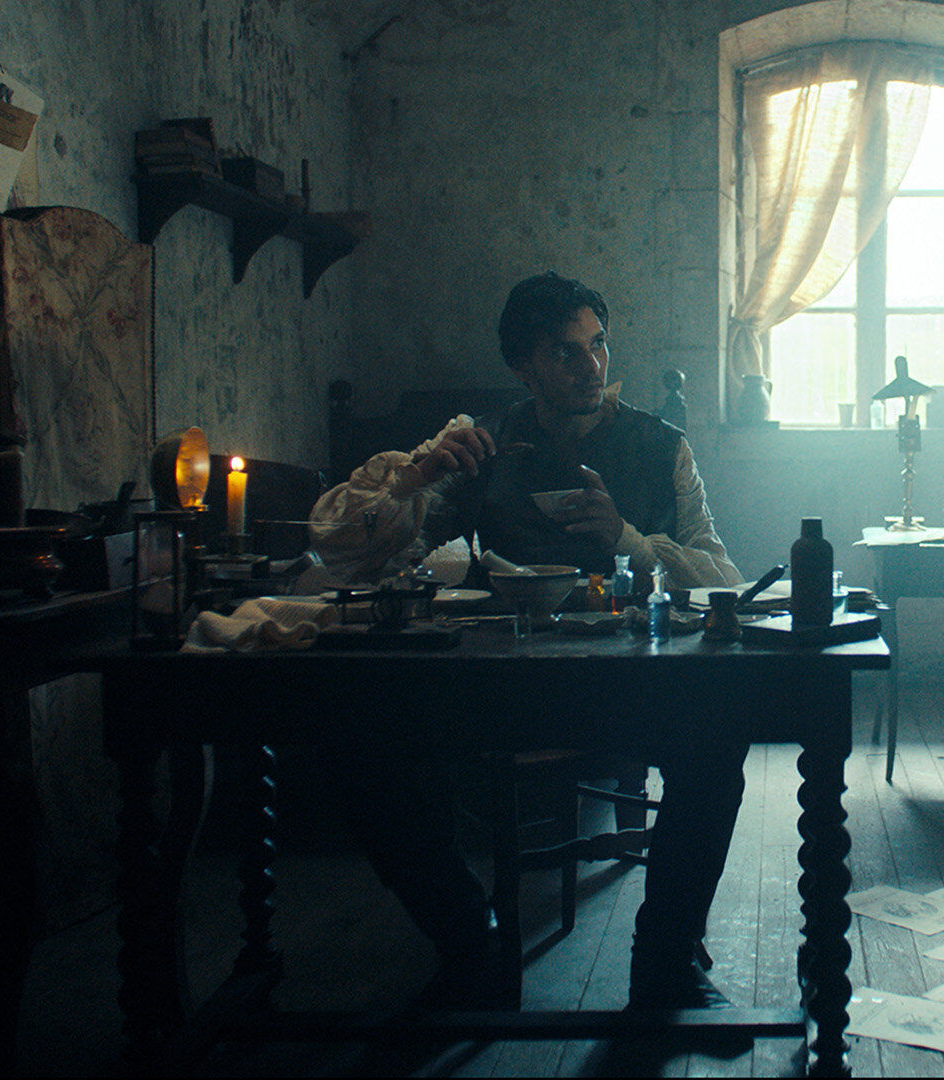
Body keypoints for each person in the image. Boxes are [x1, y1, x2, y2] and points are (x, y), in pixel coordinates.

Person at [311, 272, 747, 1010]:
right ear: (523, 366)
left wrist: (627, 538)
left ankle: (665, 957)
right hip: (497, 687)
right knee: (359, 749)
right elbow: (342, 550)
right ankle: (468, 940)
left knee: (719, 744)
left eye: (598, 345)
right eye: (565, 352)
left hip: (627, 684)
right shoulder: (479, 444)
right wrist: (419, 475)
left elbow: (721, 577)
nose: (591, 366)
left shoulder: (659, 446)